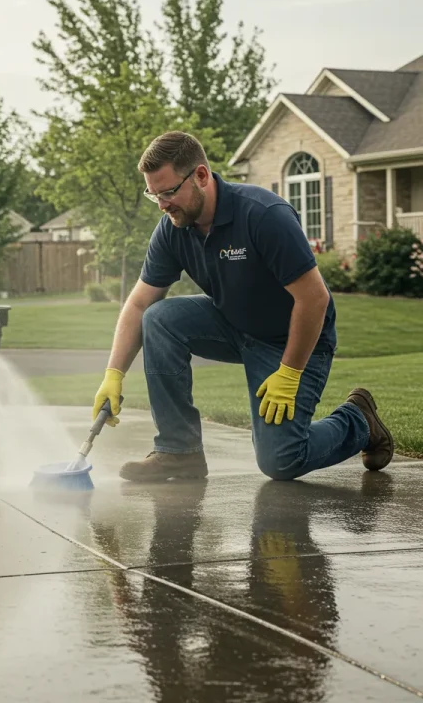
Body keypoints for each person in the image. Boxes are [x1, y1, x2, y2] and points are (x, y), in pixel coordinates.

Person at [92, 131, 395, 482]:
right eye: (153, 194)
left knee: (281, 460)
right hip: (234, 325)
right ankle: (178, 452)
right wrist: (113, 375)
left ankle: (359, 420)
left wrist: (289, 373)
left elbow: (314, 298)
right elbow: (140, 303)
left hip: (292, 341)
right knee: (159, 318)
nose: (162, 204)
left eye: (169, 191)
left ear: (201, 176)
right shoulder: (172, 228)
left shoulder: (263, 215)